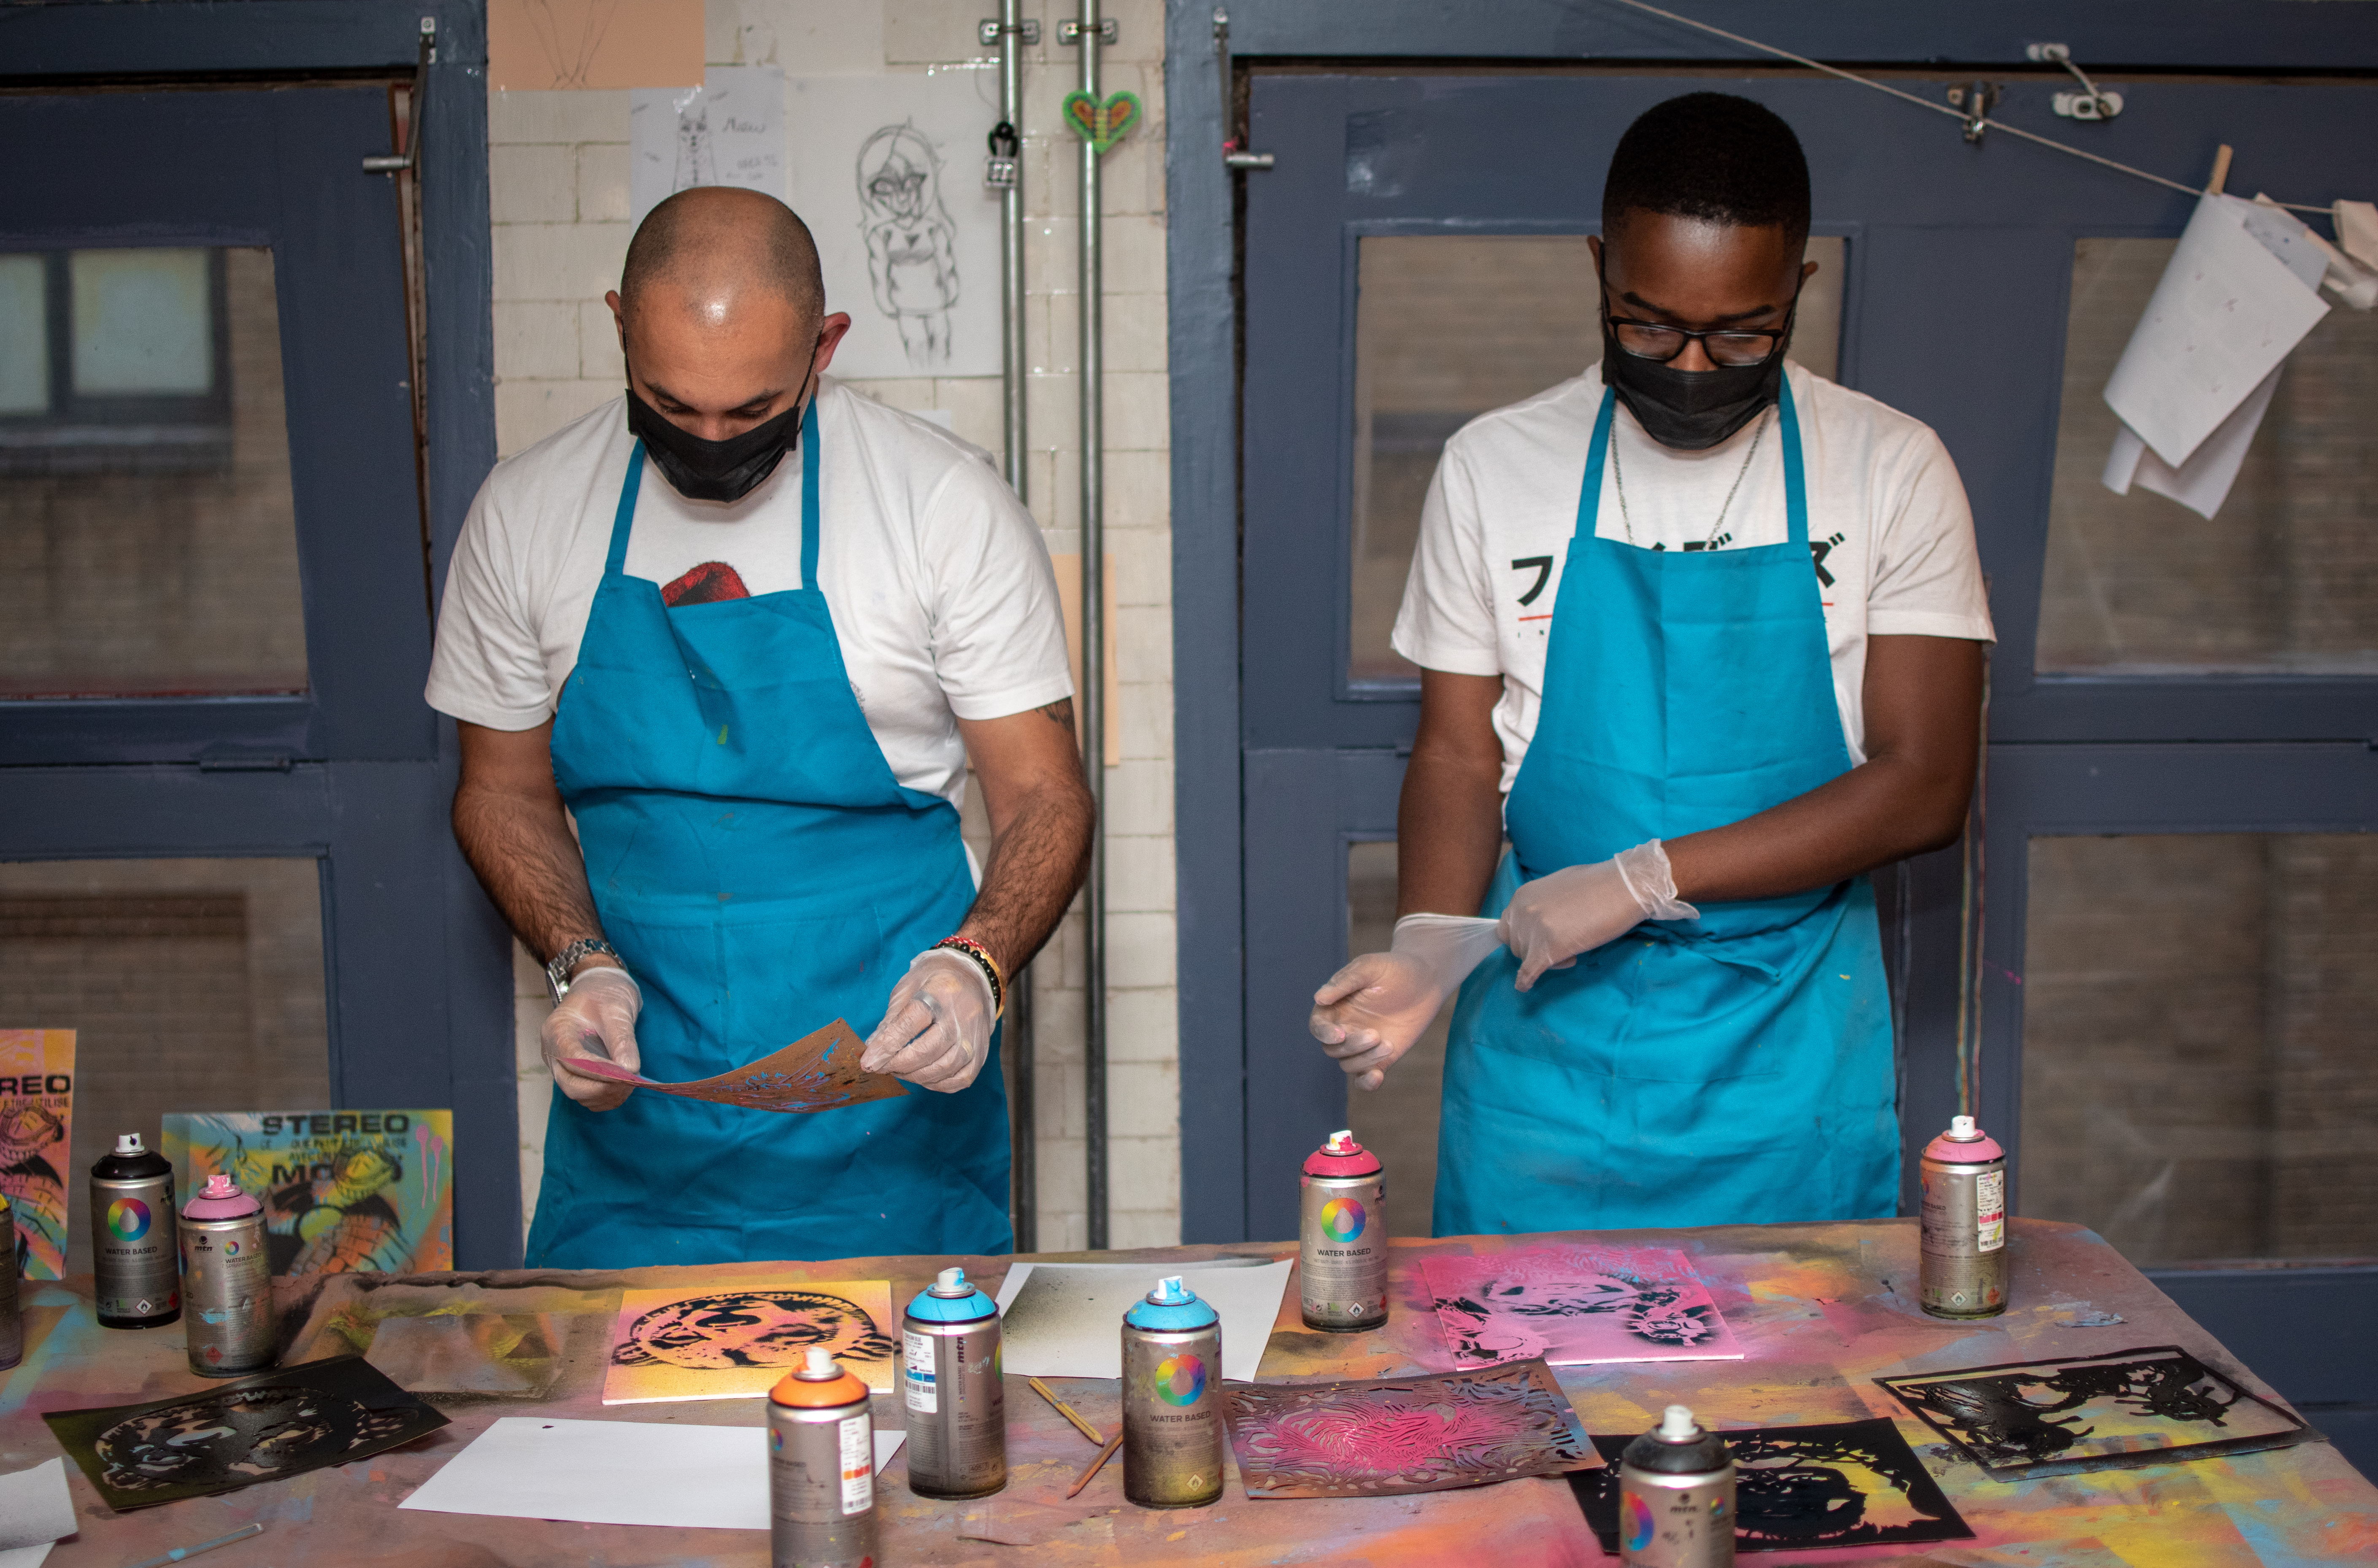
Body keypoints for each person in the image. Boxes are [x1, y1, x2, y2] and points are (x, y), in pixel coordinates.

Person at [1309, 94, 1994, 1235]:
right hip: (1546, 1051)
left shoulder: (1889, 465)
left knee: (1794, 1397)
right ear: (1598, 269)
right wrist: (1431, 936)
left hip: (1786, 1054)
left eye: (1738, 334)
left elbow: (1923, 781)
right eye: (1644, 324)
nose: (1688, 363)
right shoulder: (1494, 464)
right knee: (1533, 1389)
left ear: (1798, 292)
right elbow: (1455, 747)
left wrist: (1639, 880)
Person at [427, 187, 1092, 1268]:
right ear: (619, 327)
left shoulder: (942, 506)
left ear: (825, 346)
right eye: (671, 405)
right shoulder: (525, 511)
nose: (709, 441)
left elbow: (1044, 796)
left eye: (750, 412)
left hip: (890, 1080)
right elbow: (499, 788)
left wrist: (976, 964)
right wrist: (578, 963)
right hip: (643, 1087)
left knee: (914, 1420)